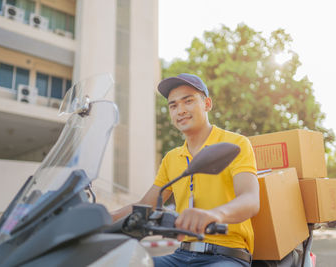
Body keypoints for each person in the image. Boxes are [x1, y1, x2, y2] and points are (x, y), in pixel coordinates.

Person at [111, 73, 259, 266]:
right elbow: (146, 204)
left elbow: (250, 200)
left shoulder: (236, 144)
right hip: (182, 254)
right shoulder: (171, 158)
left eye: (188, 101)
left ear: (207, 104)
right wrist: (105, 217)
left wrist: (214, 214)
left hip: (226, 255)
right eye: (173, 105)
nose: (180, 110)